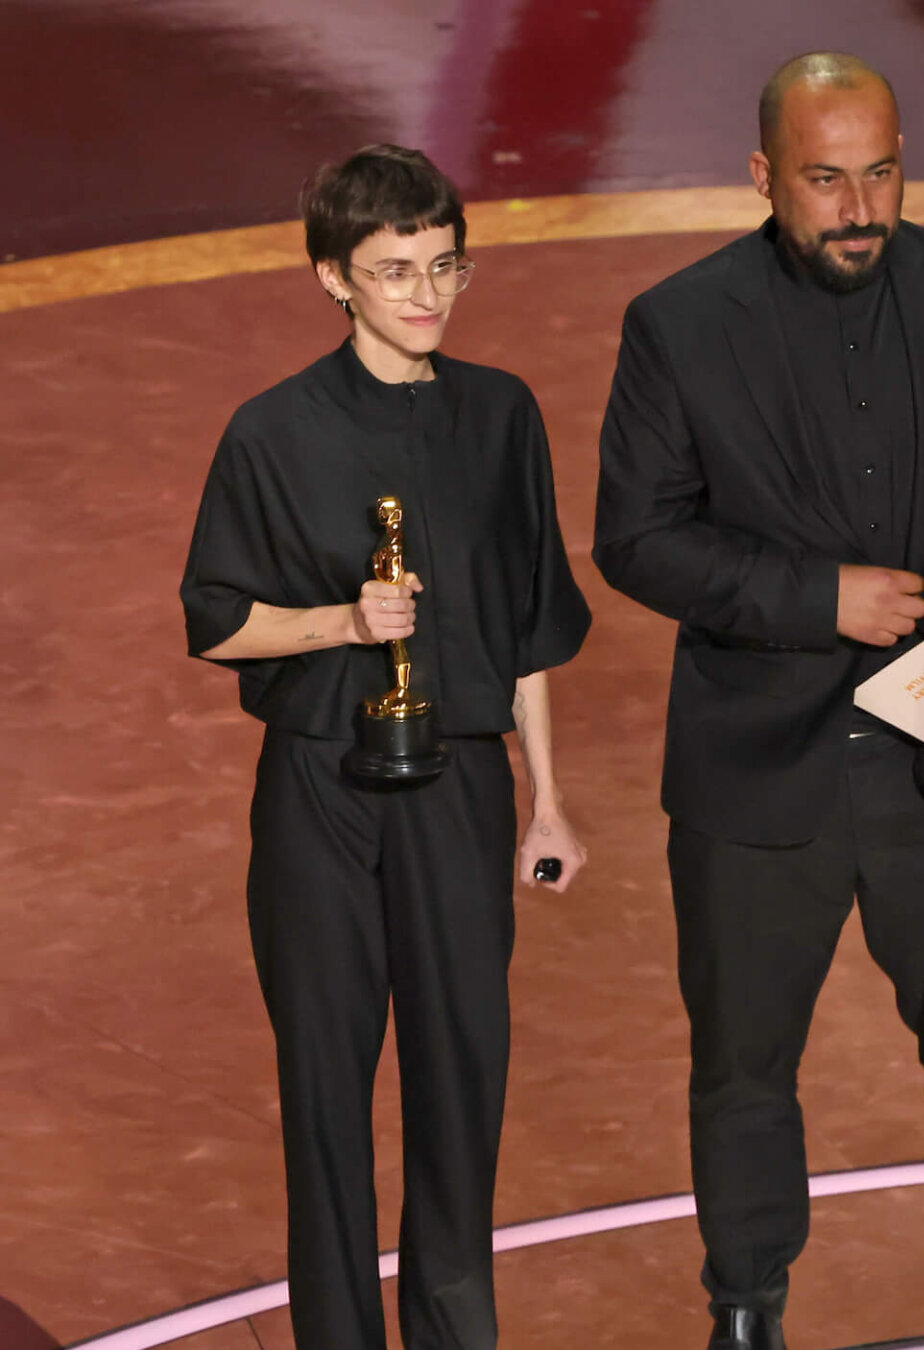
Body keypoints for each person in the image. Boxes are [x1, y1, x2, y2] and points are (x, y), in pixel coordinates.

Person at [591, 52, 924, 1350]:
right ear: (765, 177)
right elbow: (637, 538)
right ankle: (749, 1312)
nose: (859, 206)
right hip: (757, 769)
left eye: (879, 173)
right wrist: (815, 596)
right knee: (745, 1069)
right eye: (826, 180)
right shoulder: (678, 323)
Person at [179, 144, 591, 1350]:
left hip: (458, 783)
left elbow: (526, 630)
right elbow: (217, 623)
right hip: (319, 794)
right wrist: (343, 623)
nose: (426, 295)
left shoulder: (503, 415)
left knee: (462, 1083)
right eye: (393, 271)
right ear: (331, 278)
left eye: (443, 266)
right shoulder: (273, 432)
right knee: (327, 1093)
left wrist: (549, 802)